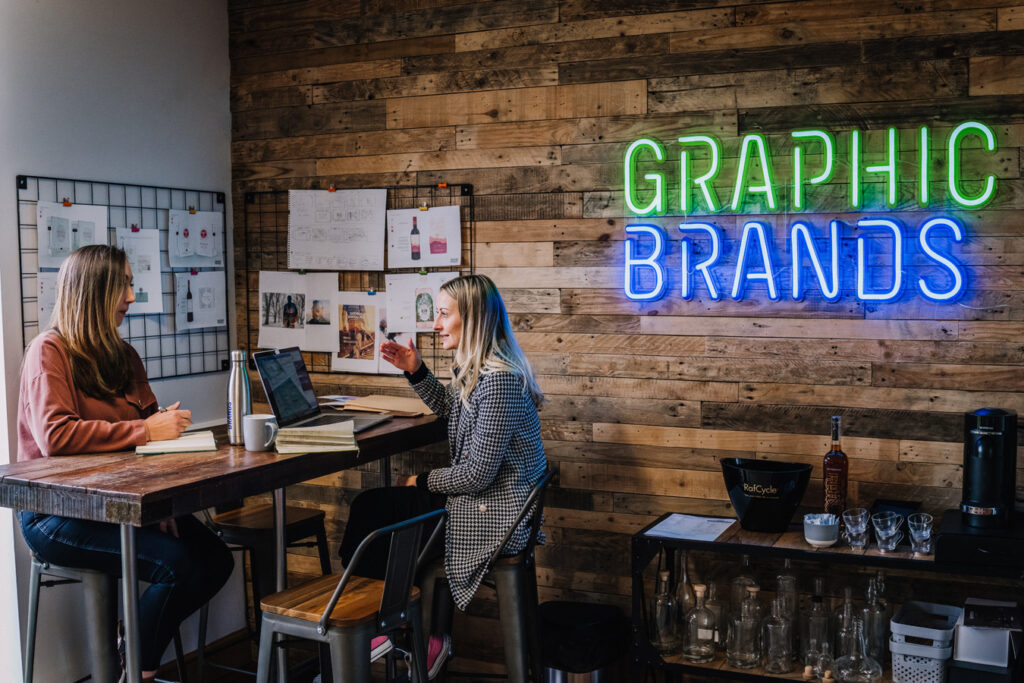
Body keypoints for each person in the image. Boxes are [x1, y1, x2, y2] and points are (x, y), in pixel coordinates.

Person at [17, 245, 233, 682]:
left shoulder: (124, 355)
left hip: (128, 503)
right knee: (177, 565)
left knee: (214, 558)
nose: (132, 297)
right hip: (57, 514)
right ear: (94, 292)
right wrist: (146, 431)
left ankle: (131, 646)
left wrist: (164, 507)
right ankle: (137, 670)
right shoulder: (49, 352)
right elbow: (56, 436)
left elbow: (152, 433)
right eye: (125, 285)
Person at [379, 273, 547, 678]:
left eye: (443, 314)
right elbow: (454, 411)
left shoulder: (500, 381)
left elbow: (474, 475)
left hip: (499, 510)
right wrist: (415, 370)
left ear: (471, 319)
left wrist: (420, 481)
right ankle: (398, 627)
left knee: (382, 510)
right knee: (381, 509)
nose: (435, 324)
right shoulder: (480, 371)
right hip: (496, 497)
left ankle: (392, 627)